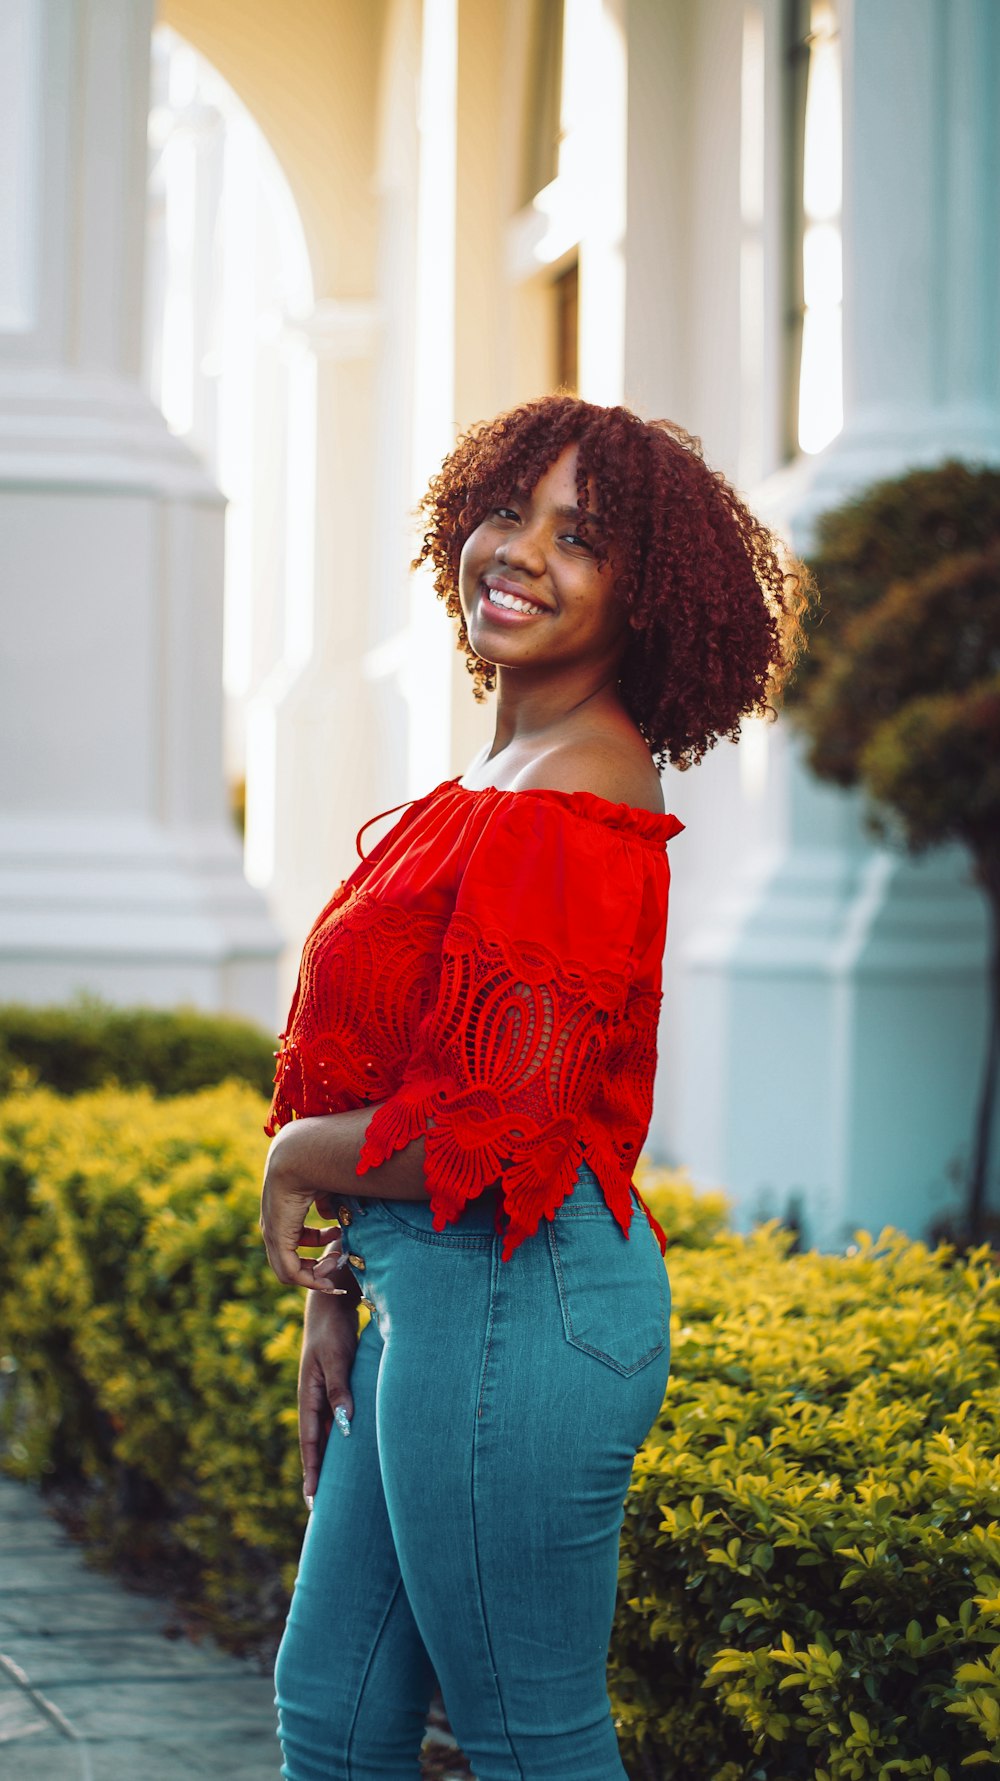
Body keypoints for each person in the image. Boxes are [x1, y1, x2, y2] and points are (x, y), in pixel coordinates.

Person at [259, 394, 807, 1781]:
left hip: (523, 1296)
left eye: (584, 536)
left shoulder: (581, 791)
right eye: (510, 509)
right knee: (332, 1709)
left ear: (648, 596)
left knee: (527, 1741)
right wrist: (347, 1292)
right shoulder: (500, 778)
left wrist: (294, 1161)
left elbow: (493, 1124)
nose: (522, 551)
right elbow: (413, 1071)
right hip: (442, 1296)